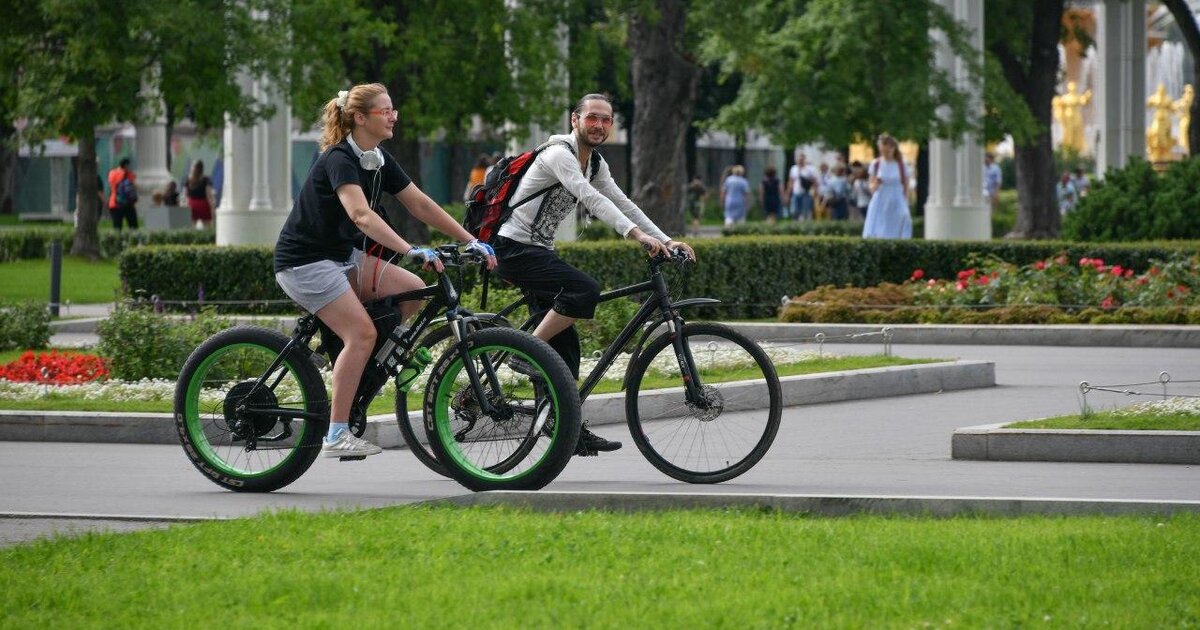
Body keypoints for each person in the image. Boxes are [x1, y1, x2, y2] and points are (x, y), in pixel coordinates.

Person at [273, 83, 497, 459]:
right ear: (360, 118)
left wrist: (469, 239)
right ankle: (336, 435)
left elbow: (420, 204)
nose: (394, 116)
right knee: (360, 333)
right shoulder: (339, 159)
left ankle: (373, 366)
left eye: (394, 109)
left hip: (341, 258)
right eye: (386, 111)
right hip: (304, 263)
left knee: (411, 289)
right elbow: (361, 215)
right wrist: (410, 249)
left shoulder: (377, 159)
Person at [492, 92, 696, 455]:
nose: (599, 125)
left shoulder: (596, 163)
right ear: (575, 120)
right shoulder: (558, 155)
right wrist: (636, 236)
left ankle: (566, 427)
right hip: (513, 249)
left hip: (538, 251)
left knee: (567, 345)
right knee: (584, 290)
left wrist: (666, 239)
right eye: (592, 118)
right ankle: (525, 353)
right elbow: (589, 198)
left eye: (606, 120)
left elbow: (621, 201)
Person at [862, 134, 912, 239]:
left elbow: (906, 185)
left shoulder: (901, 165)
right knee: (880, 226)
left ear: (893, 148)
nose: (885, 154)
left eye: (887, 151)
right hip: (880, 199)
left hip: (897, 197)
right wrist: (876, 184)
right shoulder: (876, 164)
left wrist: (905, 201)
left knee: (904, 217)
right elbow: (871, 186)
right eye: (882, 151)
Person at [106, 158, 139, 230]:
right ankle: (135, 240)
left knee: (117, 227)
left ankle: (117, 240)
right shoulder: (129, 174)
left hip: (115, 203)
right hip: (128, 203)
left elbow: (111, 184)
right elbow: (135, 186)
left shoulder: (112, 173)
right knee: (133, 226)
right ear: (126, 165)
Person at [786, 152, 818, 221]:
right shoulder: (793, 169)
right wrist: (788, 194)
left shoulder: (810, 169)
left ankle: (805, 226)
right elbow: (791, 182)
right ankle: (795, 226)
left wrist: (815, 191)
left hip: (806, 192)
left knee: (805, 211)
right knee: (794, 211)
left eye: (801, 159)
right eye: (798, 159)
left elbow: (815, 181)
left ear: (804, 159)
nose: (800, 160)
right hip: (796, 192)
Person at [185, 160, 216, 228]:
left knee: (192, 228)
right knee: (207, 228)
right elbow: (209, 196)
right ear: (202, 169)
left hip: (192, 205)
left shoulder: (188, 180)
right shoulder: (206, 179)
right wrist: (213, 208)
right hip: (204, 205)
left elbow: (186, 195)